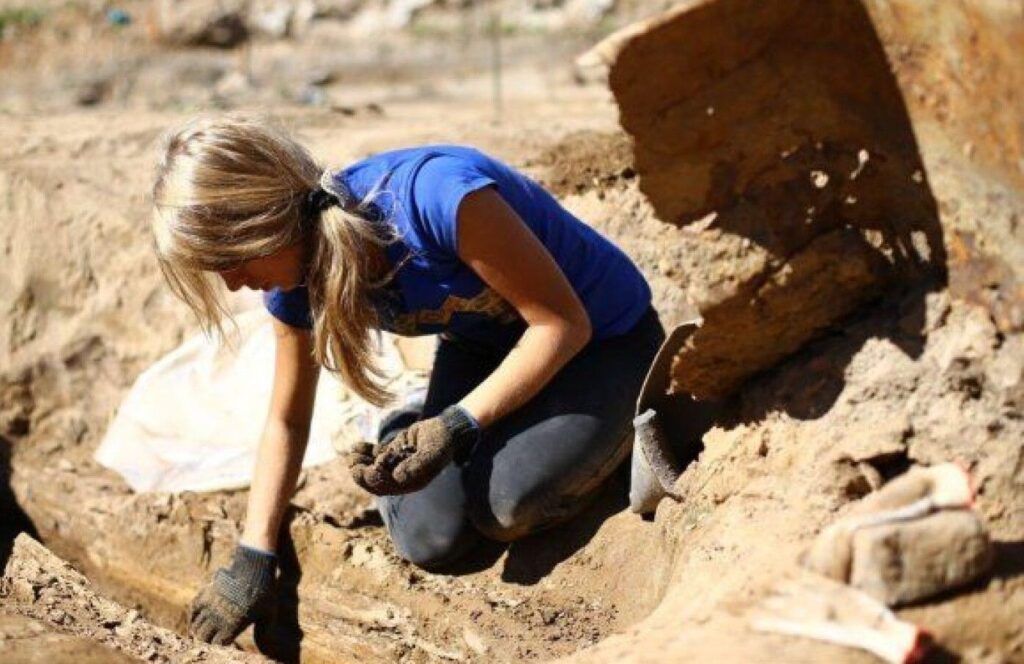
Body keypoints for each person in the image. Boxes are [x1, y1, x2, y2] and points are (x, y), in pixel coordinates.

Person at [151, 115, 664, 645]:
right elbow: (287, 419)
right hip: (483, 350)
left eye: (230, 261)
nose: (233, 284)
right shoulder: (291, 287)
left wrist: (458, 424)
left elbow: (562, 324)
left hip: (604, 339)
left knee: (507, 505)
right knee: (429, 535)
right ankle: (408, 419)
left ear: (262, 222)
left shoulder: (436, 199)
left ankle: (621, 416)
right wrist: (253, 557)